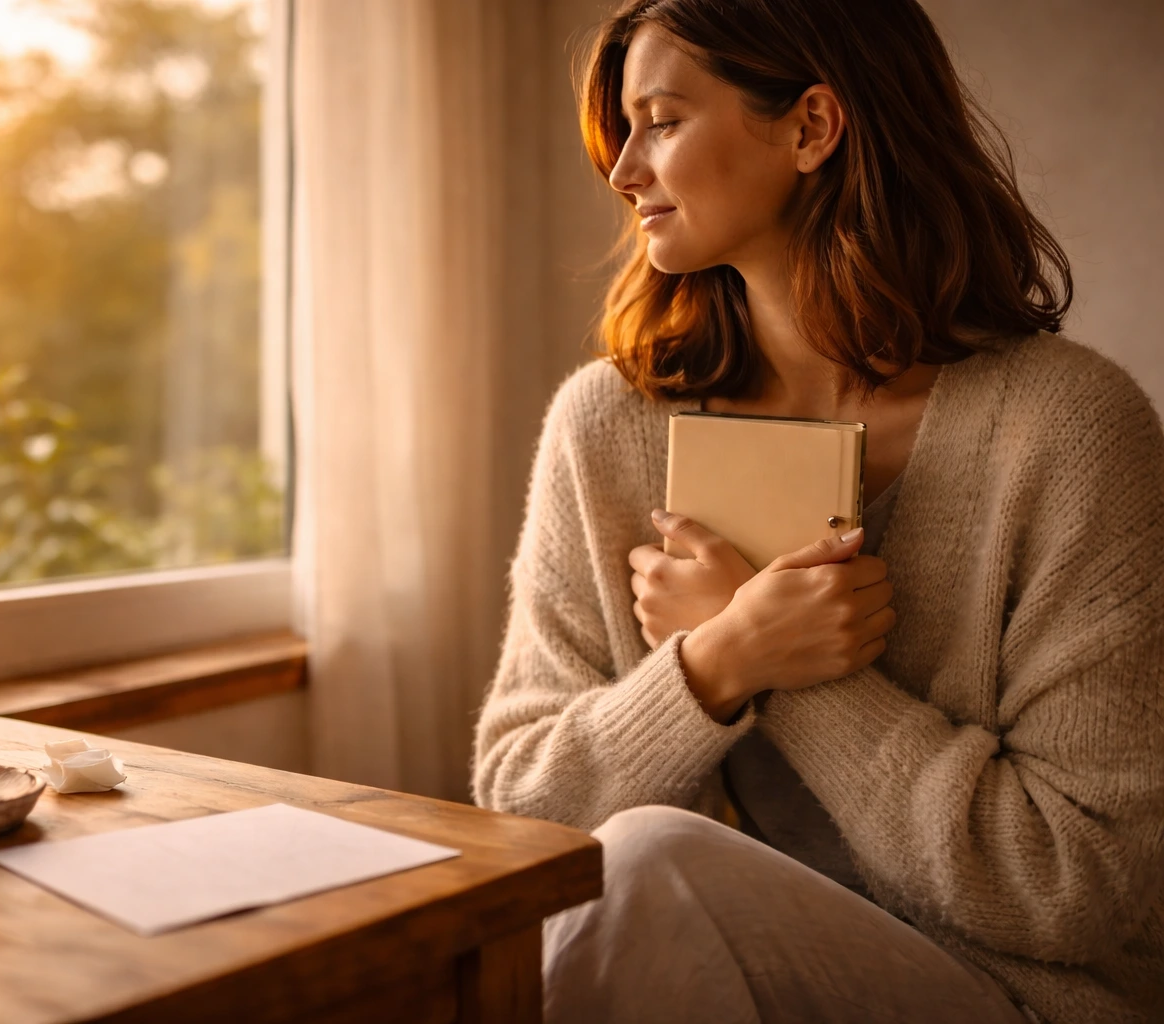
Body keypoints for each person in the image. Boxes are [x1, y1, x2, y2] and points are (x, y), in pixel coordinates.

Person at [469, 1, 1164, 1021]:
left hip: (1019, 997)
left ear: (811, 127)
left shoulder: (1069, 431)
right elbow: (520, 810)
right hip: (695, 984)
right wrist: (715, 666)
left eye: (660, 120)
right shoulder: (606, 427)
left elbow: (1078, 886)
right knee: (639, 870)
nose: (623, 171)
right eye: (625, 129)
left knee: (653, 863)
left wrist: (793, 673)